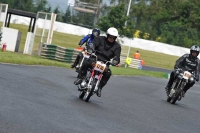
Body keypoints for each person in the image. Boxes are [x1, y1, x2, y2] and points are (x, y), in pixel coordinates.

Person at [74, 27, 121, 97]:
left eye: (113, 37)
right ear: (107, 35)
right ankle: (81, 78)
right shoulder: (100, 39)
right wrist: (91, 48)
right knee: (86, 62)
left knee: (108, 73)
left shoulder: (117, 46)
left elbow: (117, 55)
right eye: (110, 36)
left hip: (105, 62)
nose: (111, 38)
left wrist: (115, 61)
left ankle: (100, 87)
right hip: (95, 58)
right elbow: (93, 44)